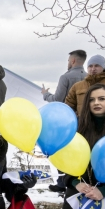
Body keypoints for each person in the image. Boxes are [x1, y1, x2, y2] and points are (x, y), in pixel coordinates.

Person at [42, 50, 87, 193]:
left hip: (66, 120)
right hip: (85, 120)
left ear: (73, 61)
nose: (68, 63)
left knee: (61, 150)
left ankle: (62, 182)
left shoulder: (66, 77)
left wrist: (45, 94)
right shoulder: (89, 78)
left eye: (68, 60)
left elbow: (57, 100)